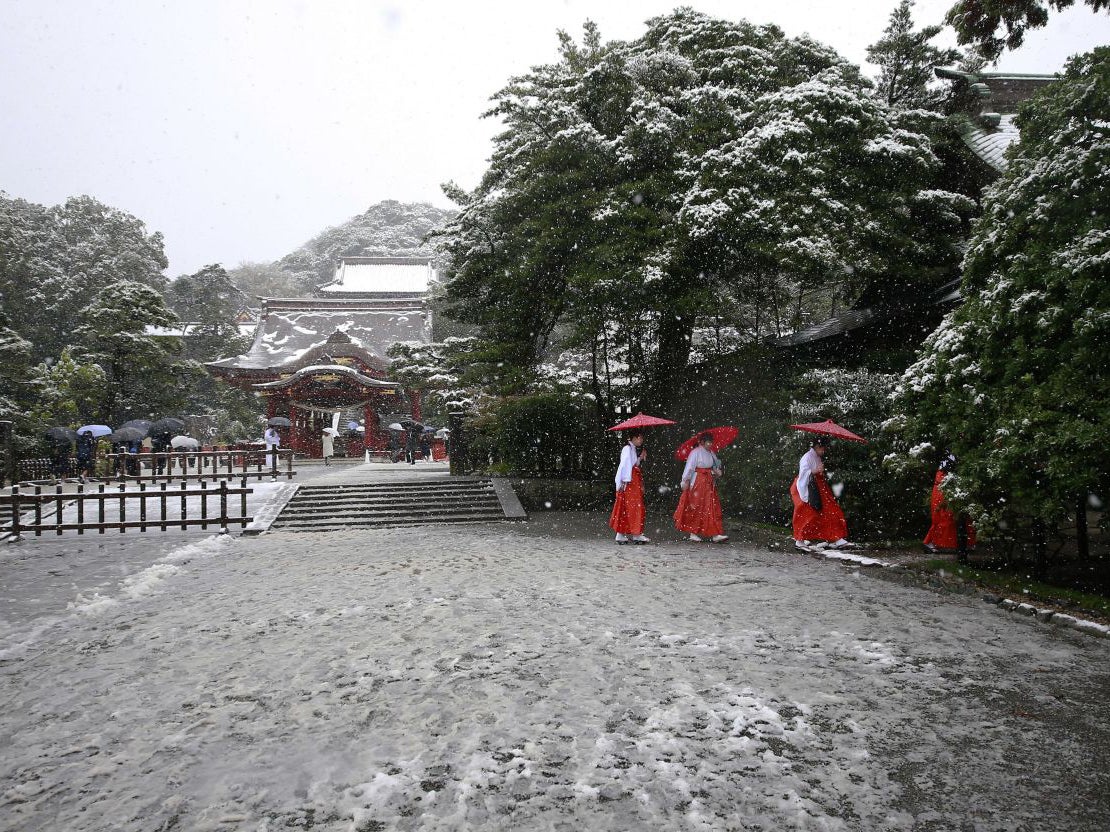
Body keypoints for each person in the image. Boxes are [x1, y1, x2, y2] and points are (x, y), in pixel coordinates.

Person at [790, 437, 851, 551]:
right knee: (808, 514)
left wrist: (820, 471)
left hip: (818, 487)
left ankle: (836, 538)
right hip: (808, 487)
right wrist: (816, 471)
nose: (824, 451)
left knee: (830, 510)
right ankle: (800, 539)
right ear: (817, 447)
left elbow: (817, 473)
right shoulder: (807, 457)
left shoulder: (816, 456)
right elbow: (804, 474)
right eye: (823, 448)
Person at [674, 432, 729, 543]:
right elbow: (689, 467)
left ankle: (715, 533)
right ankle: (693, 532)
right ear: (702, 442)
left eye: (711, 442)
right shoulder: (695, 452)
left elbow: (715, 466)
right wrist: (685, 480)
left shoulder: (711, 453)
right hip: (698, 480)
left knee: (711, 507)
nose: (710, 444)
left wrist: (717, 471)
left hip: (709, 482)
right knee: (697, 506)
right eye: (708, 442)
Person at [924, 453, 976, 557]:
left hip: (945, 482)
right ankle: (936, 542)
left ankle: (958, 544)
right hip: (944, 483)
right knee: (945, 515)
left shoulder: (953, 455)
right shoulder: (953, 455)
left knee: (949, 516)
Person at [609, 429, 651, 544]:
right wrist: (625, 481)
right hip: (630, 481)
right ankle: (636, 534)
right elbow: (625, 466)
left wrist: (640, 458)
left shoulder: (630, 448)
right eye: (640, 438)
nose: (642, 440)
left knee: (626, 507)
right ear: (635, 437)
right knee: (634, 507)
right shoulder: (627, 449)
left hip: (631, 479)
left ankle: (621, 534)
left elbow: (631, 464)